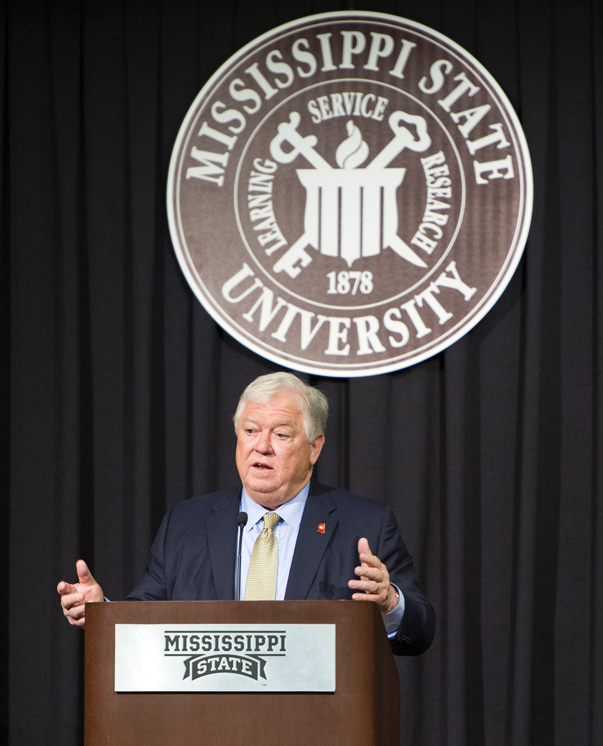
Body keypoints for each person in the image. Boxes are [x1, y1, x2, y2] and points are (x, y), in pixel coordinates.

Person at [58, 372, 434, 655]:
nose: (262, 447)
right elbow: (147, 618)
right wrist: (102, 614)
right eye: (251, 430)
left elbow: (421, 631)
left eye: (281, 435)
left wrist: (389, 603)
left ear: (314, 447)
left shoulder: (364, 525)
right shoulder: (186, 524)